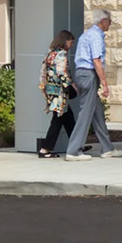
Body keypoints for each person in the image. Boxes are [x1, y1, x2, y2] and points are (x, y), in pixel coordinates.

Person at [63, 9, 121, 160]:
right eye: (109, 20)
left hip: (82, 74)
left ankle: (107, 148)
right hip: (89, 75)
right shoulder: (95, 37)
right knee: (86, 113)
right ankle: (73, 150)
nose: (110, 23)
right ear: (102, 21)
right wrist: (105, 84)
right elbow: (96, 60)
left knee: (97, 112)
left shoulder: (87, 34)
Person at [36, 29, 76, 157]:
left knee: (68, 118)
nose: (71, 45)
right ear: (65, 41)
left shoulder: (50, 54)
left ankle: (76, 144)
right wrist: (70, 86)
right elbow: (61, 72)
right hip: (60, 93)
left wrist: (43, 88)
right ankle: (45, 149)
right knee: (57, 121)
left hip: (51, 92)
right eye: (71, 41)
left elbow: (43, 73)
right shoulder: (61, 55)